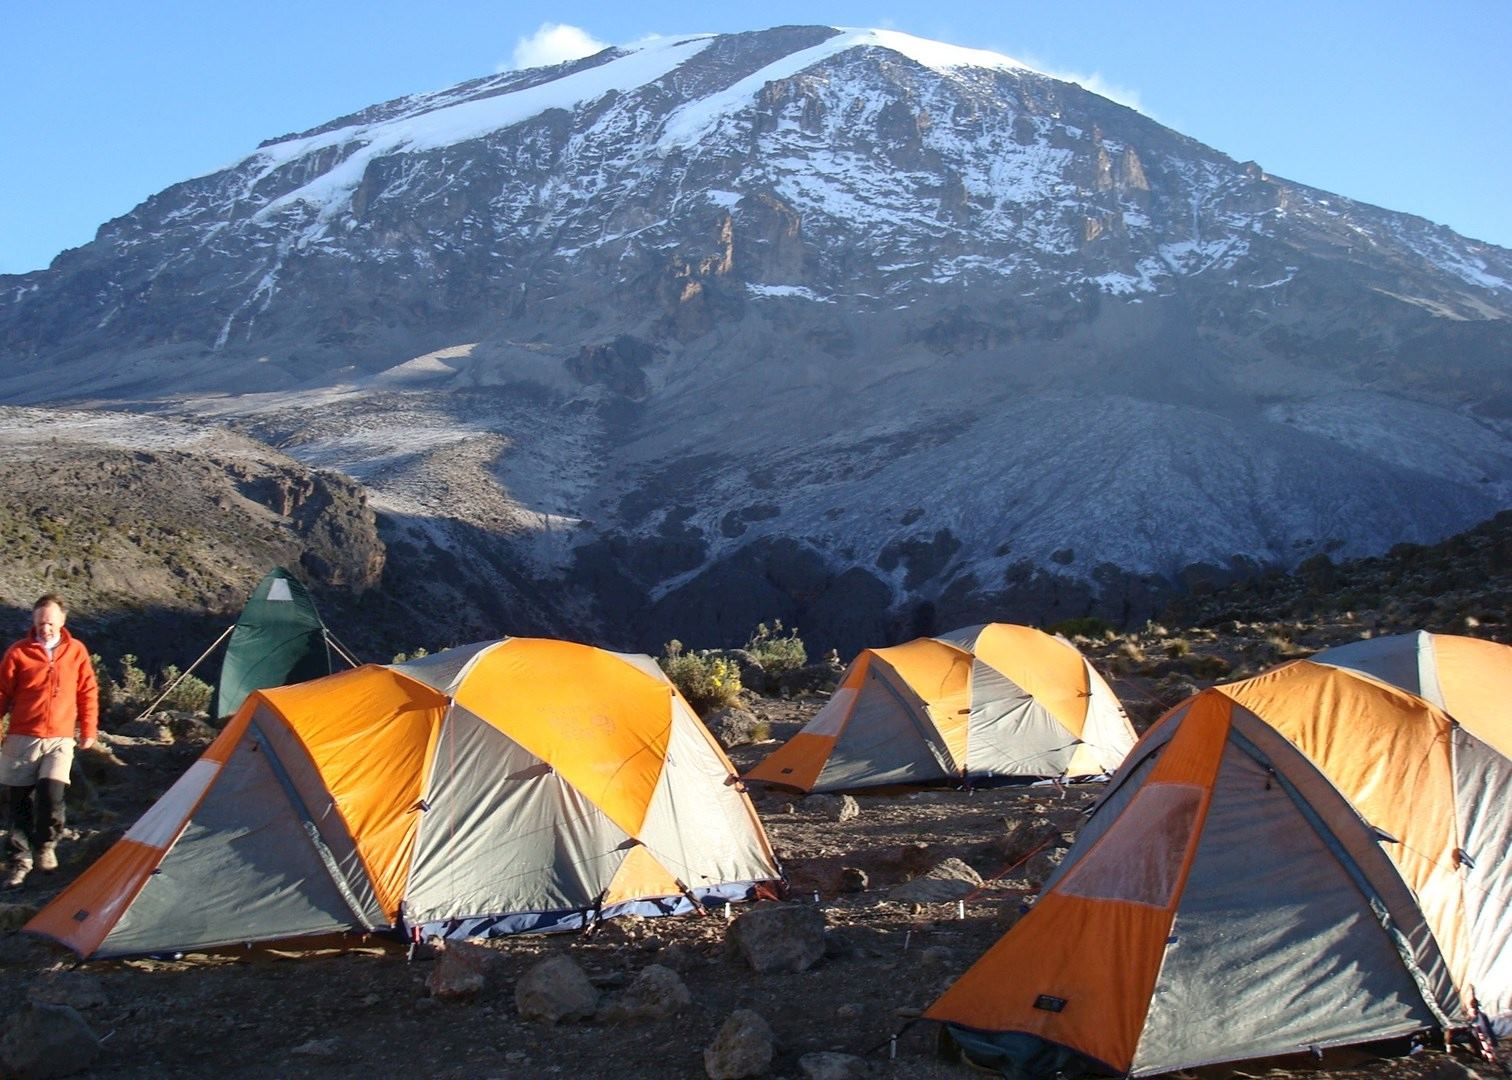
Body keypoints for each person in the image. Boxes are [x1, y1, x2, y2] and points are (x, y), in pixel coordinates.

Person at [0, 594, 98, 888]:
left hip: (60, 738)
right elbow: (2, 694)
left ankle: (46, 846)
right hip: (22, 737)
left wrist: (88, 729)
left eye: (51, 622)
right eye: (41, 622)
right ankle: (20, 860)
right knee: (17, 802)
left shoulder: (76, 651)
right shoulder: (18, 653)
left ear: (63, 621)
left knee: (51, 793)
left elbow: (87, 691)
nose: (46, 628)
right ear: (33, 621)